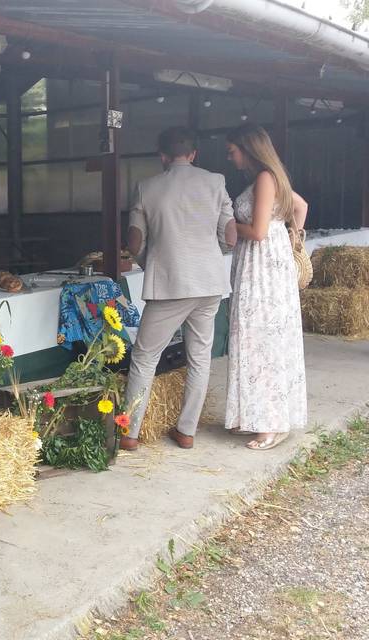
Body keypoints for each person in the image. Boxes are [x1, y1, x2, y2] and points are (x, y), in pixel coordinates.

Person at [121, 127, 236, 451]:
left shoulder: (147, 187)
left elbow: (134, 240)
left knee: (144, 357)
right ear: (194, 154)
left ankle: (129, 432)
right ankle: (186, 431)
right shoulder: (216, 182)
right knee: (199, 356)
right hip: (209, 283)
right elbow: (229, 237)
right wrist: (211, 254)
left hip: (169, 284)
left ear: (162, 156)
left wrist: (151, 261)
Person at [225, 123, 308, 450]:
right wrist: (289, 240)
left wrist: (230, 226)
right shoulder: (272, 178)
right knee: (263, 340)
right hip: (270, 267)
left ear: (247, 148)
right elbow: (301, 208)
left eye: (232, 151)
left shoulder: (264, 179)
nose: (230, 157)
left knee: (260, 340)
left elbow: (258, 231)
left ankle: (271, 423)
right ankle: (262, 417)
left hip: (262, 270)